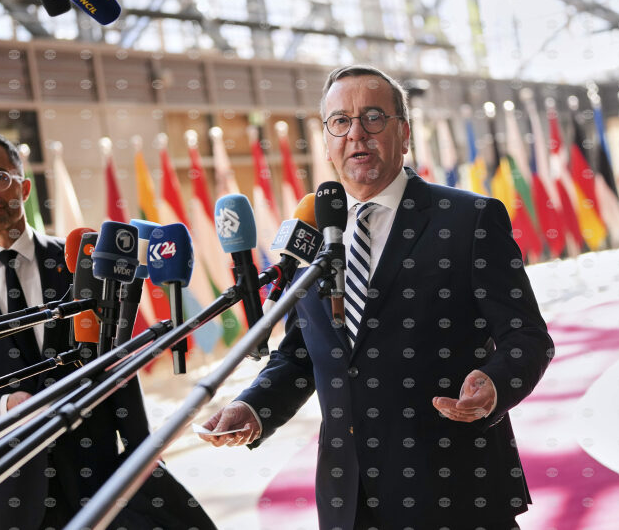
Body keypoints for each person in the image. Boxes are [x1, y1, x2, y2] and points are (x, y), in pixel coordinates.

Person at [200, 65, 554, 530]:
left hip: (456, 489)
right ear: (326, 140)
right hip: (349, 502)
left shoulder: (468, 219)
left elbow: (527, 337)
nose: (356, 134)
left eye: (372, 117)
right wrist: (253, 408)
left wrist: (494, 386)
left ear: (404, 133)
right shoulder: (312, 233)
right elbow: (302, 354)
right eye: (340, 122)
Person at [0, 129, 214, 530]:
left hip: (101, 481)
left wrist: (142, 448)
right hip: (7, 499)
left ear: (24, 187)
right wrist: (5, 407)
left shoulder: (86, 262)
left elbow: (117, 363)